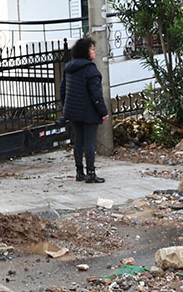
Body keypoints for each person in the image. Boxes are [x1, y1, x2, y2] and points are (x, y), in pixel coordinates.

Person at [60, 37, 109, 184]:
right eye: (92, 49)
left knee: (78, 142)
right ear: (86, 52)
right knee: (89, 143)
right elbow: (96, 95)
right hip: (89, 112)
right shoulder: (90, 70)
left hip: (74, 111)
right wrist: (103, 112)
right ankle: (91, 173)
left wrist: (67, 106)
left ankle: (79, 172)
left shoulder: (69, 68)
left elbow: (63, 90)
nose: (95, 52)